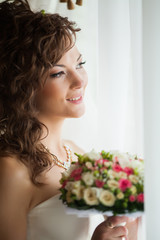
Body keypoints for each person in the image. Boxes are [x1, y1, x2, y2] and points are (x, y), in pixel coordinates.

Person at [0, 0, 139, 239]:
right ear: (21, 86)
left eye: (80, 64)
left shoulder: (75, 154)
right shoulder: (11, 169)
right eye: (58, 72)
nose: (80, 80)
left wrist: (127, 218)